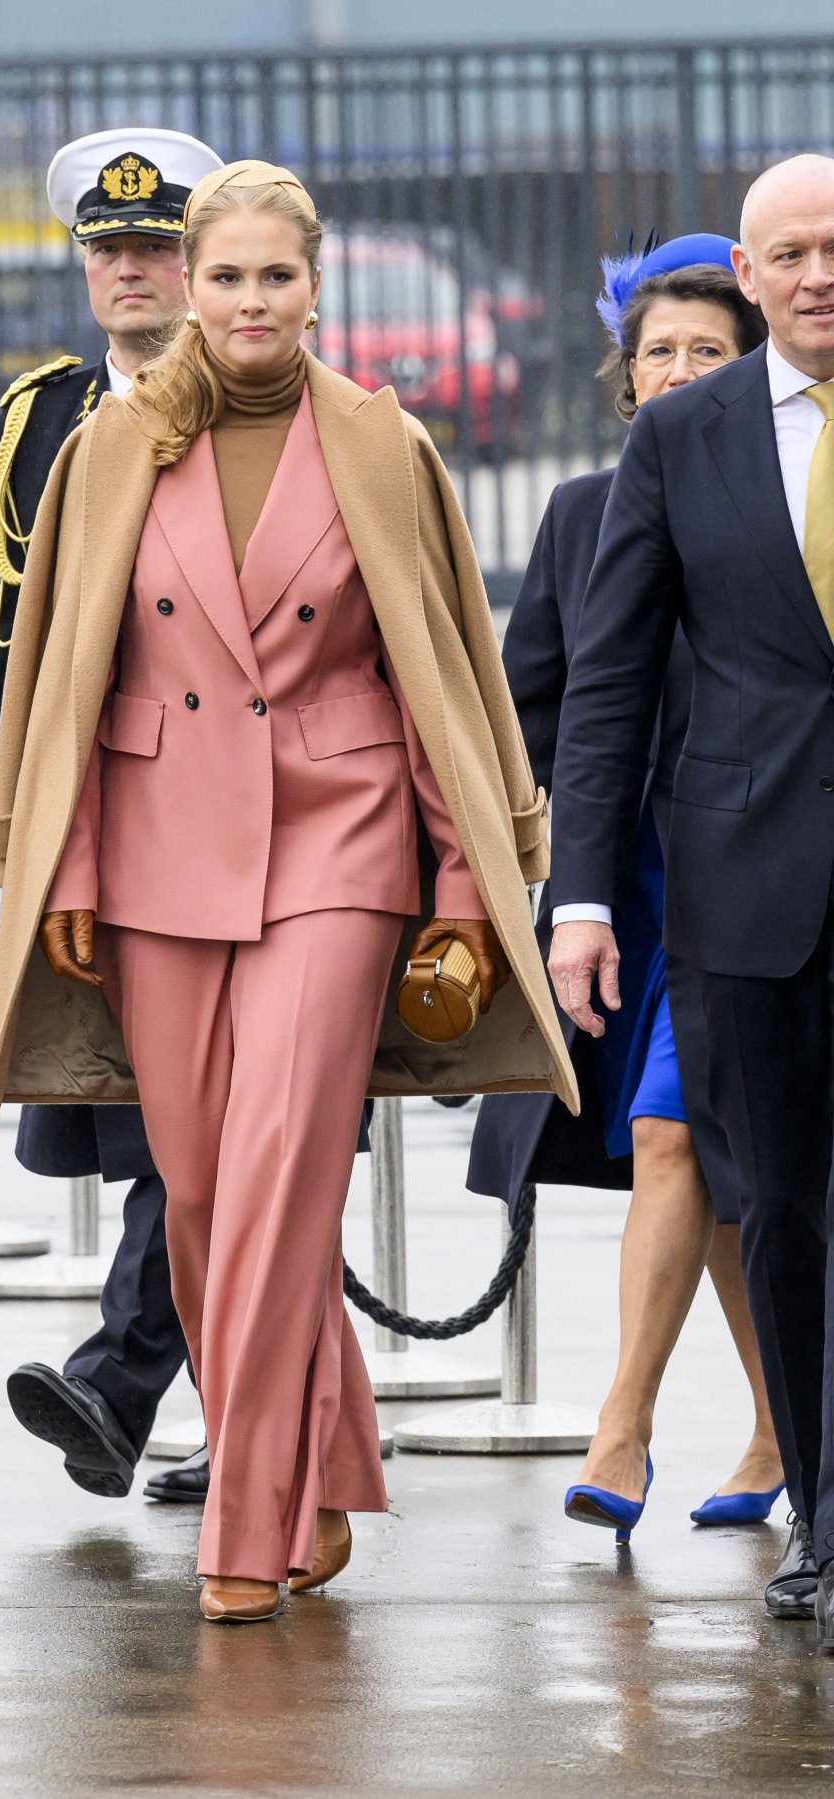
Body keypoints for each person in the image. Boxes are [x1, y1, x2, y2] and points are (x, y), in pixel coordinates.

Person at [0, 159, 577, 1623]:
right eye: (224, 276)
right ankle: (322, 1467)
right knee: (200, 1191)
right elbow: (64, 673)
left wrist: (455, 876)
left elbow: (436, 672)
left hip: (343, 835)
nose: (249, 302)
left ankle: (243, 1523)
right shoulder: (110, 448)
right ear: (188, 280)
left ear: (317, 285)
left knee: (287, 1174)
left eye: (275, 278)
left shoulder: (384, 443)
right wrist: (70, 865)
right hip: (156, 844)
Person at [547, 154, 834, 1640]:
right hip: (748, 882)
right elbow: (604, 685)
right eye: (787, 252)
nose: (816, 274)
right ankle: (826, 1517)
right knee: (779, 1203)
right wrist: (579, 895)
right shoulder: (687, 442)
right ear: (754, 271)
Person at [470, 238, 783, 1538]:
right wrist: (530, 885)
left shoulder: (786, 496)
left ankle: (632, 1426)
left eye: (709, 350)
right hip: (627, 887)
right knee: (691, 1152)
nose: (679, 371)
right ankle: (759, 1432)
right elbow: (537, 709)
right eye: (658, 350)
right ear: (625, 373)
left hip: (752, 873)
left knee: (690, 1144)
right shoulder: (582, 513)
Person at [0, 129, 224, 1506]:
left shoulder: (256, 397)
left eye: (156, 247)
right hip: (95, 828)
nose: (130, 271)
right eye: (108, 251)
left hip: (234, 813)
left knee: (211, 1121)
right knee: (149, 1121)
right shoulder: (43, 414)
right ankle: (242, 1410)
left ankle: (127, 1381)